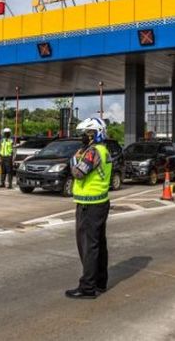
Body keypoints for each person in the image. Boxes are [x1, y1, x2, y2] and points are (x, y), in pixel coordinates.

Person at [65, 117, 112, 299]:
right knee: (99, 244)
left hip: (89, 205)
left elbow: (78, 173)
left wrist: (74, 159)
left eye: (87, 133)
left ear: (96, 134)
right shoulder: (103, 150)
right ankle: (100, 282)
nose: (84, 137)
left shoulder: (93, 152)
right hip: (100, 202)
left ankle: (87, 288)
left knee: (88, 246)